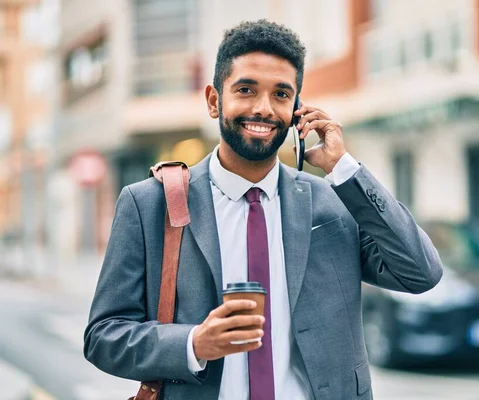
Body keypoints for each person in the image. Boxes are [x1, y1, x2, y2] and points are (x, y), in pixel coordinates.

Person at [84, 20, 443, 400]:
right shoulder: (149, 204)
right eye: (245, 90)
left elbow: (420, 272)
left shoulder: (335, 200)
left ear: (297, 110)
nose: (263, 108)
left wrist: (344, 168)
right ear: (213, 100)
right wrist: (192, 344)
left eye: (281, 94)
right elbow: (103, 336)